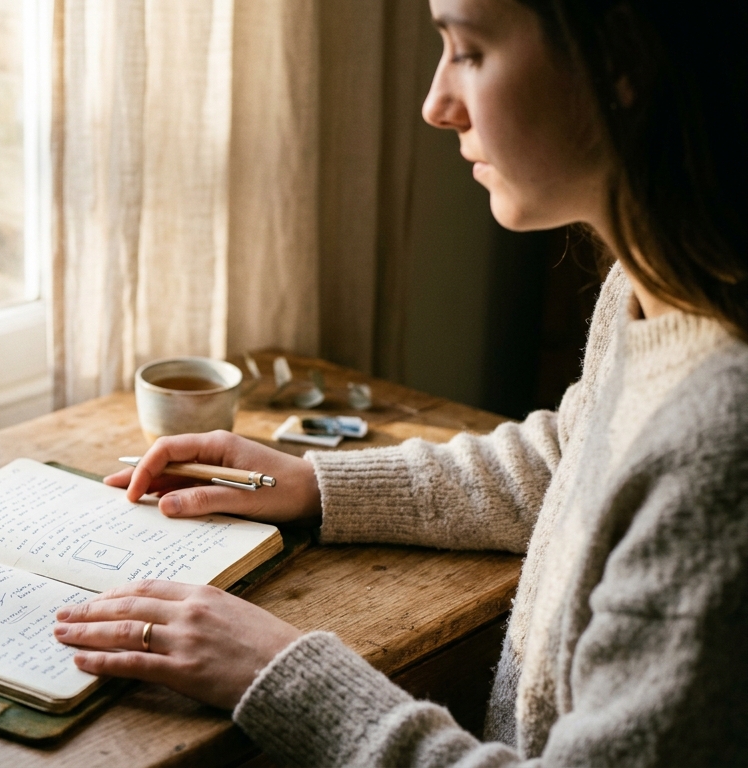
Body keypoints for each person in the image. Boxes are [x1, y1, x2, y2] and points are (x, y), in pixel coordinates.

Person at [52, 0, 748, 763]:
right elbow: (576, 459)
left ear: (627, 66)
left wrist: (277, 672)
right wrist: (320, 485)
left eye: (470, 51)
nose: (435, 104)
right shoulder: (653, 282)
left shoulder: (724, 448)